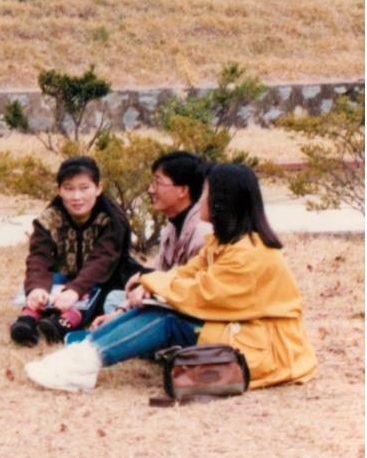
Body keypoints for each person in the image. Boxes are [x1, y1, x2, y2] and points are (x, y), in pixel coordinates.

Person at [25, 163, 318, 392]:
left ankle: (85, 361)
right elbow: (184, 274)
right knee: (155, 306)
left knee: (169, 318)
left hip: (265, 344)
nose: (200, 199)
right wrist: (147, 282)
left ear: (222, 202)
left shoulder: (250, 252)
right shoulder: (227, 242)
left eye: (205, 193)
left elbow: (202, 295)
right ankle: (85, 352)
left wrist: (151, 282)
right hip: (239, 328)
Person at [9, 156, 132, 346]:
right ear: (59, 190)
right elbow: (39, 257)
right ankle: (27, 320)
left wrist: (75, 289)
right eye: (69, 189)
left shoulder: (112, 220)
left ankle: (63, 324)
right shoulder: (49, 219)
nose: (76, 197)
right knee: (49, 283)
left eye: (84, 188)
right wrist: (36, 288)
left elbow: (102, 261)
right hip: (63, 278)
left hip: (102, 281)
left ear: (98, 188)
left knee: (94, 292)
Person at [90, 150, 211, 329]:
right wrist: (120, 311)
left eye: (158, 182)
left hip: (191, 312)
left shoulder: (202, 232)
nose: (150, 189)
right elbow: (157, 272)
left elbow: (190, 290)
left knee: (152, 313)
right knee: (115, 298)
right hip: (167, 300)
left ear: (183, 190)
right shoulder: (171, 228)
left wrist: (149, 288)